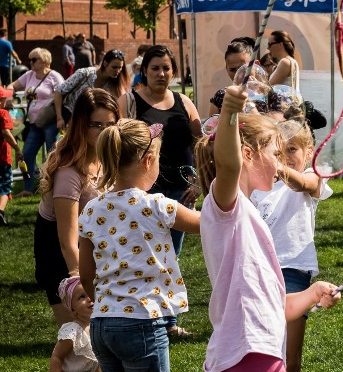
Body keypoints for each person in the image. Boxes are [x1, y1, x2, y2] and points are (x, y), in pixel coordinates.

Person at [194, 88, 340, 372]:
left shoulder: (247, 214)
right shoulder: (227, 207)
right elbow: (228, 165)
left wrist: (313, 293)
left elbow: (274, 305)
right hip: (252, 361)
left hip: (231, 364)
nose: (280, 163)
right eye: (274, 153)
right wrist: (230, 113)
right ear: (248, 154)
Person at [78, 118, 201, 372]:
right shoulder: (158, 205)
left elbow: (85, 274)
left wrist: (106, 302)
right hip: (143, 321)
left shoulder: (91, 209)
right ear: (148, 161)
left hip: (104, 324)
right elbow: (208, 224)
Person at [119, 45, 202, 339]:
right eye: (155, 68)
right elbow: (120, 146)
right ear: (145, 71)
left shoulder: (184, 102)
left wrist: (199, 181)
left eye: (166, 68)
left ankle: (168, 321)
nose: (161, 73)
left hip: (181, 192)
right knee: (144, 254)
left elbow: (200, 145)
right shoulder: (129, 102)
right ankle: (142, 315)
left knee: (172, 255)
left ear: (174, 72)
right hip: (143, 193)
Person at [251, 121, 332, 372]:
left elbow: (306, 185)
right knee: (262, 350)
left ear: (309, 152)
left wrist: (278, 167)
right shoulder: (258, 183)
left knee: (290, 356)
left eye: (293, 149)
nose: (285, 156)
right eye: (278, 151)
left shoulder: (313, 176)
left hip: (293, 271)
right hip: (257, 272)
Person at [35, 89, 118, 326]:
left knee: (101, 328)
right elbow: (66, 240)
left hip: (91, 242)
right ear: (81, 125)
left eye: (110, 125)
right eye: (96, 125)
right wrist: (77, 283)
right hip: (59, 252)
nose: (104, 132)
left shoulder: (107, 156)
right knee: (77, 334)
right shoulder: (69, 172)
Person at [29, 277, 101, 372]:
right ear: (72, 308)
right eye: (82, 296)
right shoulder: (73, 332)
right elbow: (57, 356)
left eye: (92, 293)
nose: (89, 299)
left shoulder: (98, 327)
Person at [6, 47, 64, 195]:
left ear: (45, 61)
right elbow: (12, 85)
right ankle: (28, 188)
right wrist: (9, 96)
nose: (30, 62)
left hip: (51, 124)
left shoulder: (55, 76)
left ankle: (54, 186)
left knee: (54, 156)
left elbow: (62, 97)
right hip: (34, 125)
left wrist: (59, 118)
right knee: (26, 155)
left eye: (34, 59)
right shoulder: (29, 75)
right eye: (30, 59)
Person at [54, 49, 129, 129]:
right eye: (114, 67)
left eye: (120, 68)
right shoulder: (84, 73)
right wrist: (59, 118)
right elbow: (59, 91)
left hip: (87, 122)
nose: (117, 71)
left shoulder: (112, 85)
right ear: (105, 63)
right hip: (66, 116)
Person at [209, 38, 253, 116]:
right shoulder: (222, 96)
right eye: (233, 70)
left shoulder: (269, 95)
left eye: (243, 68)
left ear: (256, 64)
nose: (238, 74)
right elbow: (210, 126)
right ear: (226, 69)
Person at [0, 89, 21, 225]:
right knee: (5, 186)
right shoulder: (3, 113)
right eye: (3, 98)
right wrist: (17, 148)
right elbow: (6, 133)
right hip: (2, 158)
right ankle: (0, 211)